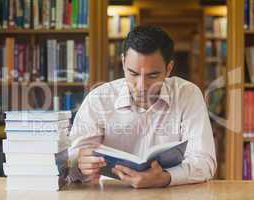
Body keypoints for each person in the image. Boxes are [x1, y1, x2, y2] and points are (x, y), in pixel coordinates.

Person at [68, 25, 216, 188]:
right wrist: (80, 165)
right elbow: (70, 164)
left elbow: (205, 162)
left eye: (153, 75)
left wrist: (165, 177)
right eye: (134, 73)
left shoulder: (187, 95)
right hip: (112, 193)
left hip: (170, 193)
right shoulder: (99, 99)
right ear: (124, 63)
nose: (141, 85)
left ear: (168, 68)